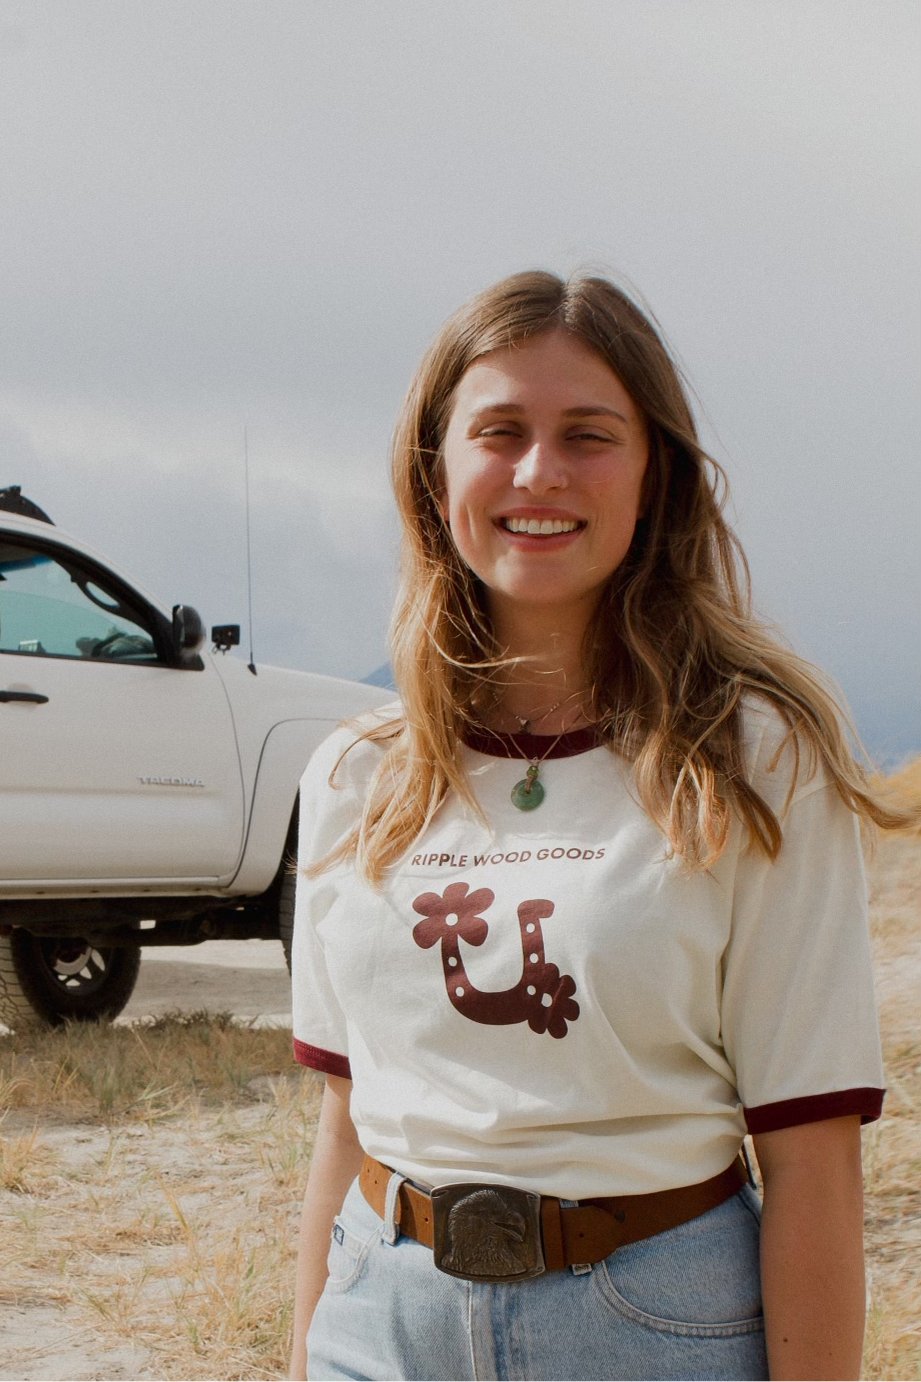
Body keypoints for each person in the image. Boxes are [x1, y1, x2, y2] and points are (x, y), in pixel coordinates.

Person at [287, 271, 914, 1382]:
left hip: (653, 1323)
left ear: (653, 477)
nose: (540, 471)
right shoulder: (355, 776)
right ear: (437, 475)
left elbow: (810, 1156)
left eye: (589, 434)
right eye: (500, 431)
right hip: (378, 1315)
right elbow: (346, 1120)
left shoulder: (751, 761)